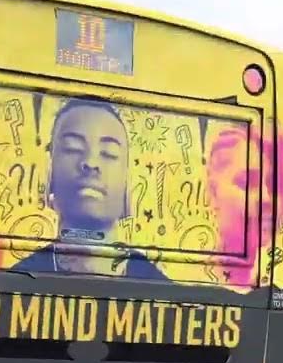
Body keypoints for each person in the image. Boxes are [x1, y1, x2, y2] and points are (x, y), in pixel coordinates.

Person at [12, 98, 167, 280]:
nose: (91, 163)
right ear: (50, 171)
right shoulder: (16, 283)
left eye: (109, 153)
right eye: (73, 148)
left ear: (129, 180)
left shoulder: (160, 291)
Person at [206, 124, 283, 287]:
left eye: (274, 185)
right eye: (247, 182)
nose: (266, 198)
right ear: (213, 193)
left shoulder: (279, 284)